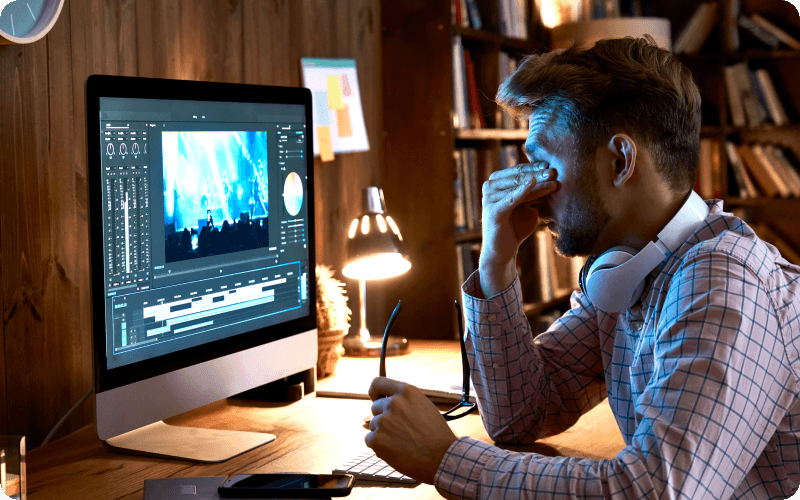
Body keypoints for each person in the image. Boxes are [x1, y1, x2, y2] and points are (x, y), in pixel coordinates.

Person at [365, 36, 800, 499]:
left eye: (543, 164)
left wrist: (445, 459)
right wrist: (496, 260)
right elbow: (521, 413)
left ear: (620, 161)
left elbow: (651, 492)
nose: (529, 190)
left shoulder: (721, 281)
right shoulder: (625, 271)